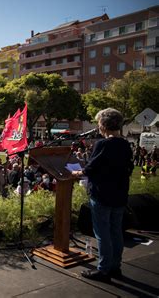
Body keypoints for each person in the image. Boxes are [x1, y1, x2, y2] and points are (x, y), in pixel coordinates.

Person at [72, 108, 134, 282]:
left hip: (102, 195)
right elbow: (128, 169)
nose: (98, 126)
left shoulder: (103, 144)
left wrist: (78, 173)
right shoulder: (125, 144)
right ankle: (115, 267)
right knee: (116, 231)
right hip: (120, 195)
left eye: (99, 122)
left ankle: (104, 270)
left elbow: (91, 169)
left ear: (104, 124)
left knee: (102, 233)